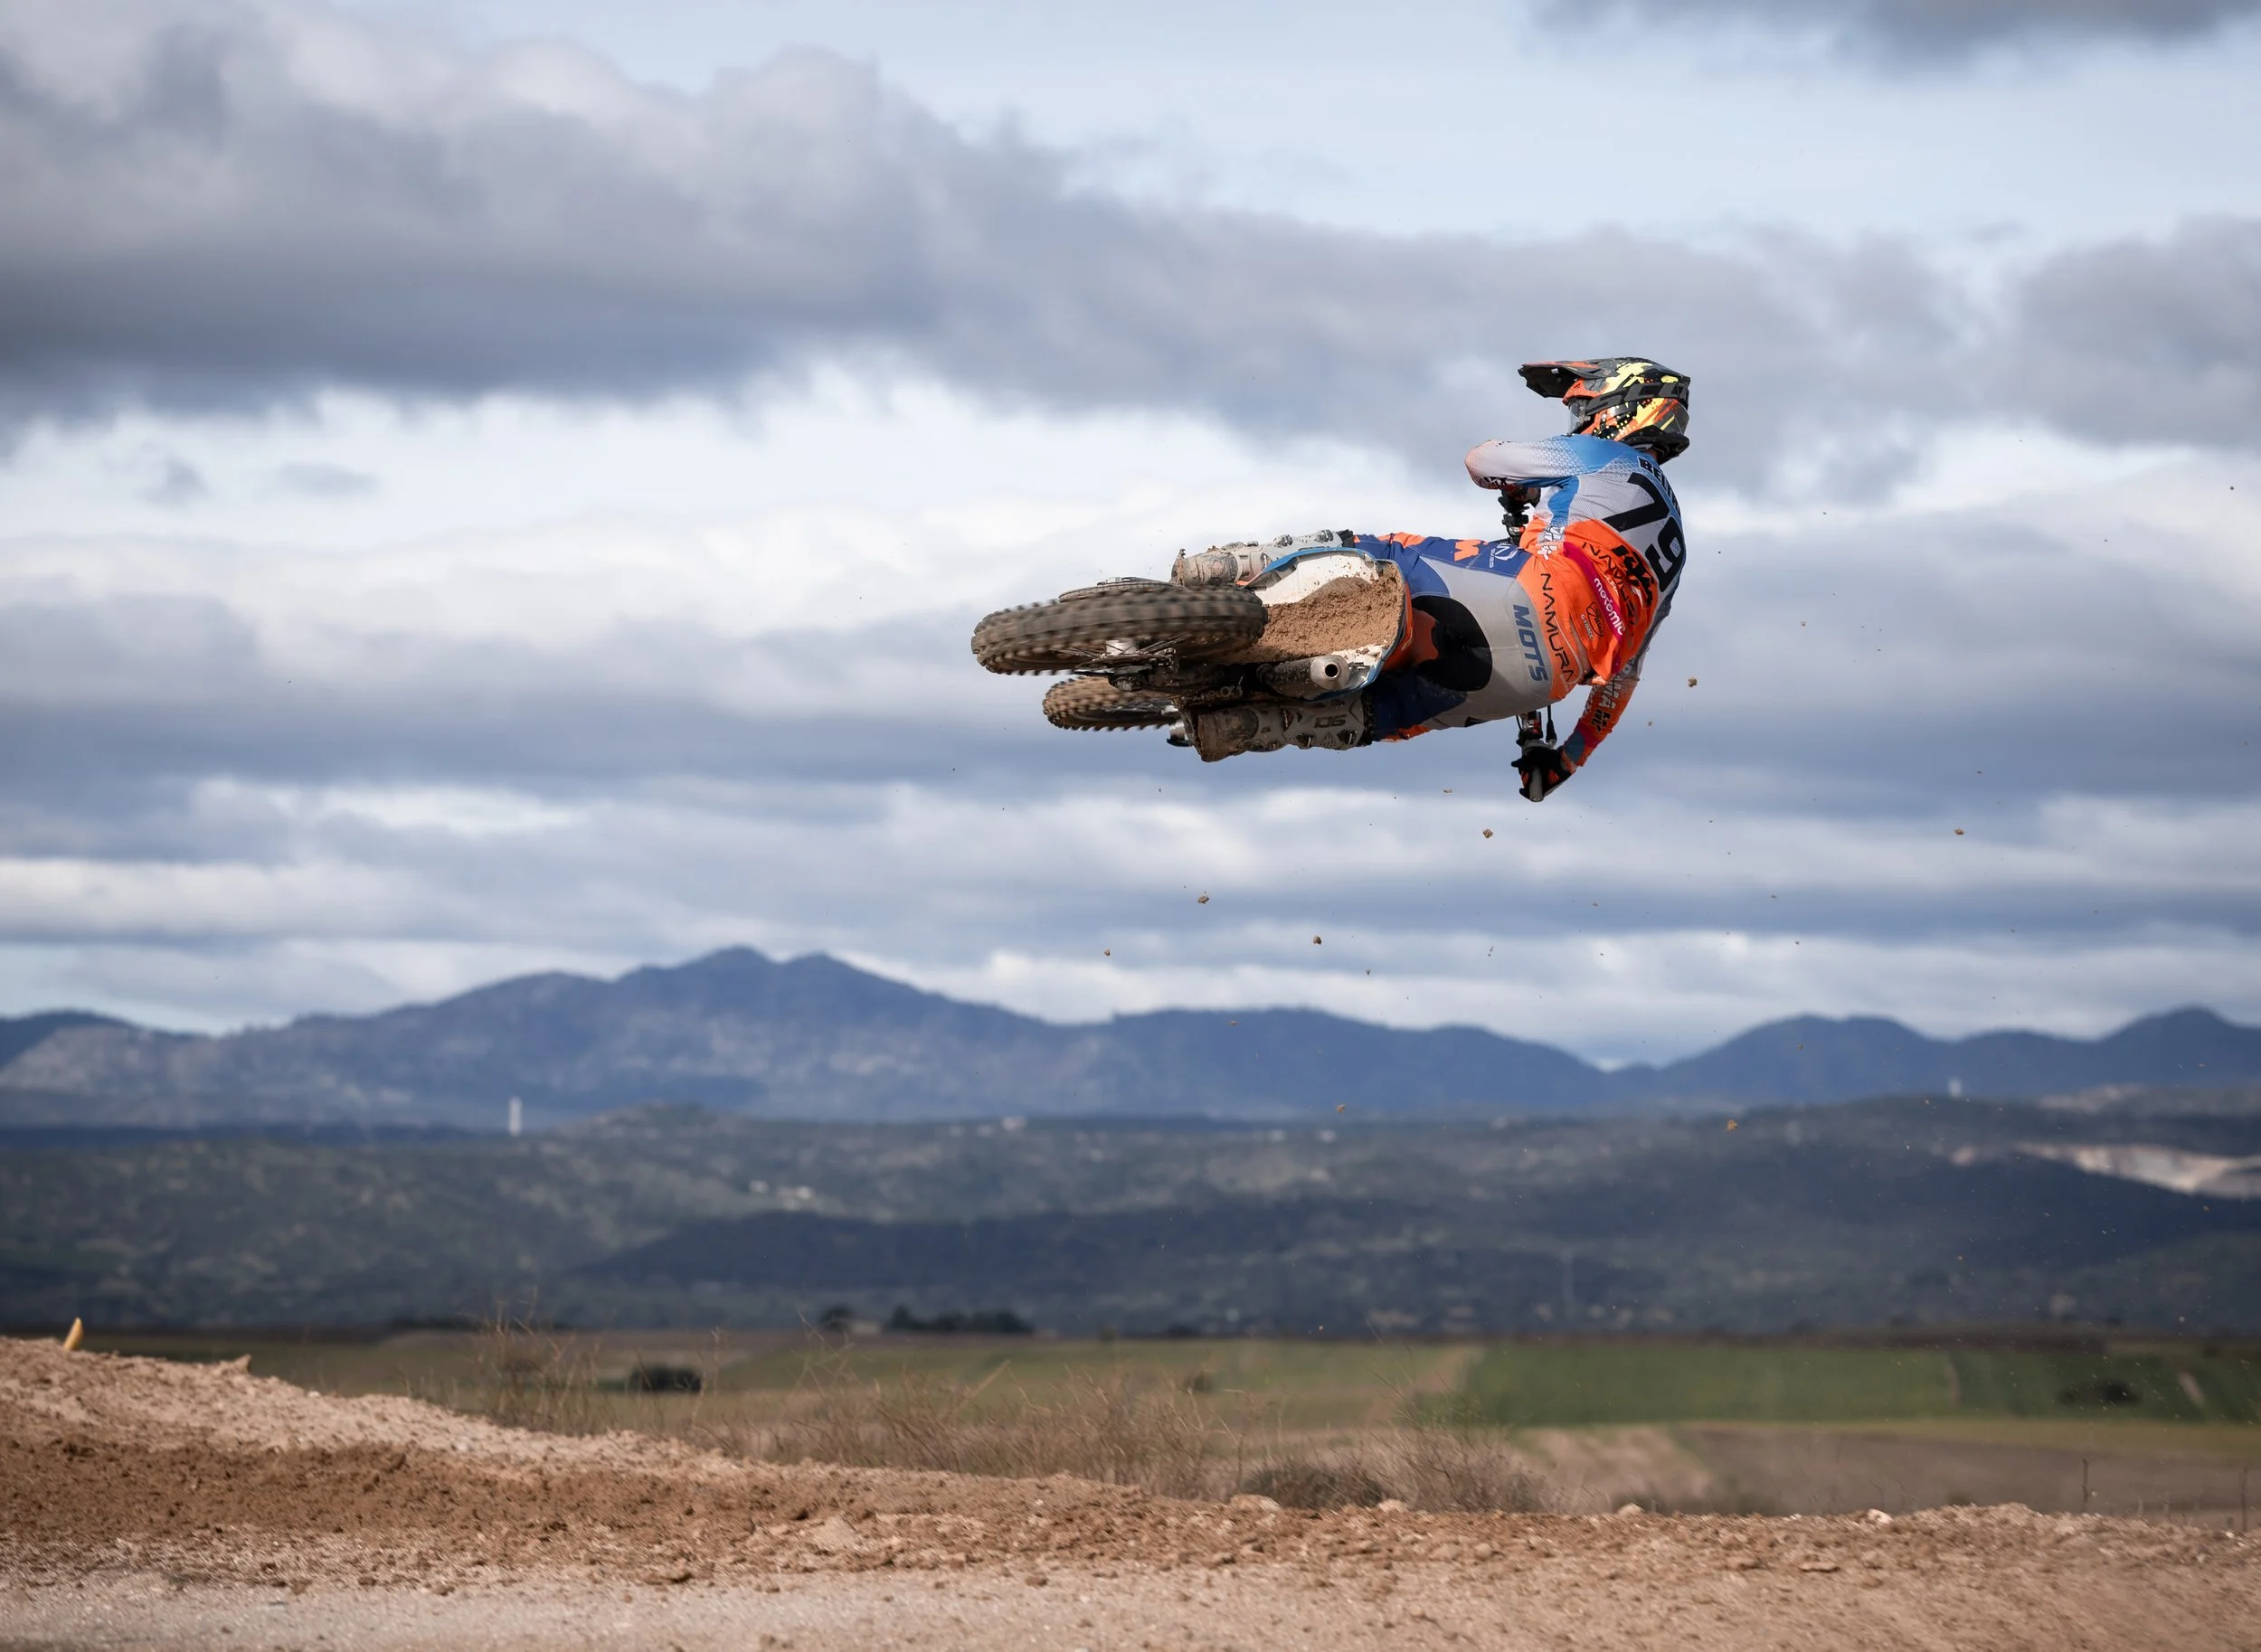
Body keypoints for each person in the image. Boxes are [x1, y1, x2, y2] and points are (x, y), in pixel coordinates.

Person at [1183, 358, 1691, 801]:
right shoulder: (1674, 556)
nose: (1579, 422)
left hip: (1526, 588)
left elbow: (1483, 461)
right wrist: (1568, 758)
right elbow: (1622, 678)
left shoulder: (1609, 457)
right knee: (1381, 715)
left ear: (1621, 407)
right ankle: (1251, 726)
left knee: (1383, 553)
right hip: (1543, 681)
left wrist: (1519, 487)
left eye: (1584, 409)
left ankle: (1223, 569)